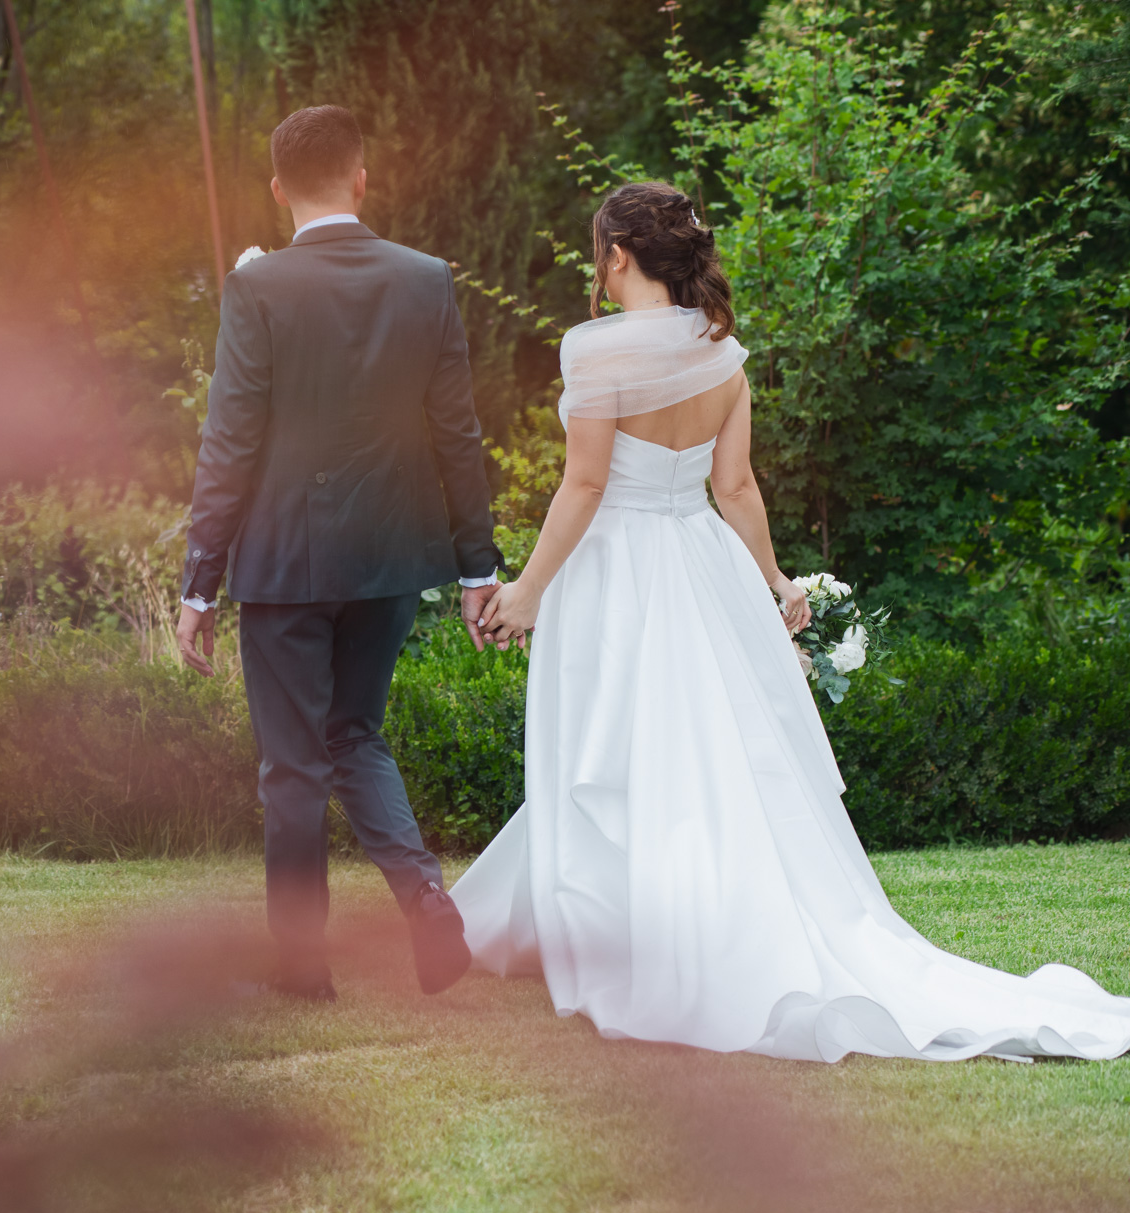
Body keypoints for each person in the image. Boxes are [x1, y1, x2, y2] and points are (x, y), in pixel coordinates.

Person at [459, 181, 1130, 1062]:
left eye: (598, 254)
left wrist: (530, 590)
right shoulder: (723, 357)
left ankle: (627, 941)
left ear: (616, 256)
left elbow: (583, 485)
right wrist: (771, 580)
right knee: (701, 754)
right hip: (701, 566)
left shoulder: (596, 352)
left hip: (616, 572)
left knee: (616, 750)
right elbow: (734, 488)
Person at [176, 105, 505, 1001]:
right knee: (356, 734)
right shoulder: (427, 278)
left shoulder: (257, 289)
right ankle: (428, 903)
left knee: (293, 767)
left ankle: (301, 967)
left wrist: (199, 583)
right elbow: (457, 437)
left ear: (278, 190)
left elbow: (230, 442)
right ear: (362, 180)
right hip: (392, 560)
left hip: (285, 564)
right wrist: (479, 568)